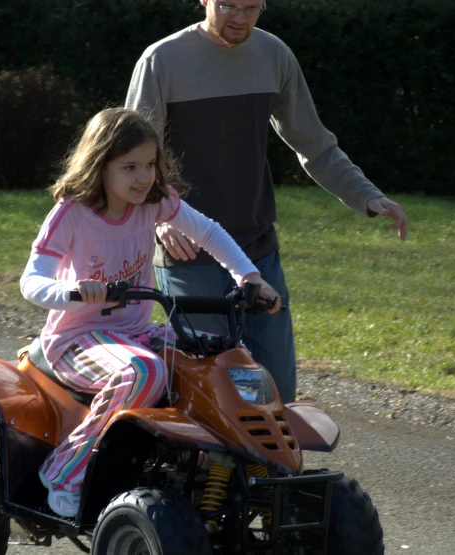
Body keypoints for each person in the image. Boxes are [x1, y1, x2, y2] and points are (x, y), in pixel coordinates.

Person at [125, 0, 409, 404]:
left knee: (277, 391)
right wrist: (159, 219)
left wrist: (367, 195)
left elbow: (314, 144)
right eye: (227, 6)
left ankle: (274, 471)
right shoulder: (162, 59)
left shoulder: (274, 55)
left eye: (250, 7)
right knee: (213, 395)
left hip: (257, 249)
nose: (238, 18)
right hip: (188, 253)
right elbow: (134, 157)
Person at [20, 107, 280, 517]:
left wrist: (248, 276)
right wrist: (73, 291)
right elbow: (31, 282)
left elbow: (207, 231)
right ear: (99, 164)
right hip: (76, 340)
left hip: (135, 333)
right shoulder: (72, 214)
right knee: (144, 372)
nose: (143, 177)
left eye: (150, 165)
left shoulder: (155, 203)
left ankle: (211, 472)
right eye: (130, 167)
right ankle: (64, 470)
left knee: (225, 359)